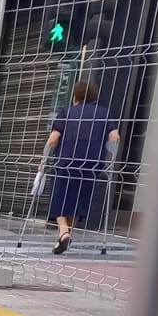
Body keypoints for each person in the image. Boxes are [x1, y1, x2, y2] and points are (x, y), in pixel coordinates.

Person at [41, 79, 119, 254]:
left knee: (60, 197)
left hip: (66, 160)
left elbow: (53, 139)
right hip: (91, 163)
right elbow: (115, 137)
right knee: (78, 200)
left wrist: (44, 160)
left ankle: (63, 232)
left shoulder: (66, 112)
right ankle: (66, 236)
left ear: (75, 96)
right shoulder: (104, 113)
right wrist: (108, 160)